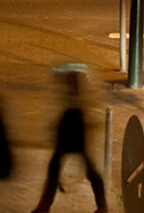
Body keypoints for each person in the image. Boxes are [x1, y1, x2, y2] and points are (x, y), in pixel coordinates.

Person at [33, 68, 105, 213]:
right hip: (73, 126)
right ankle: (102, 206)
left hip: (71, 127)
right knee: (77, 168)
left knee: (56, 168)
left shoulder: (73, 101)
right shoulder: (76, 100)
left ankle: (44, 206)